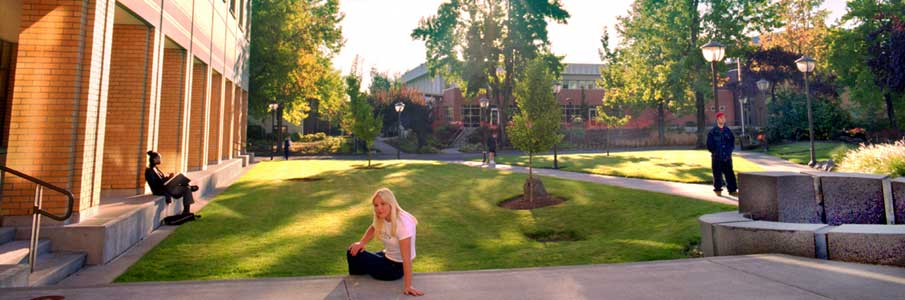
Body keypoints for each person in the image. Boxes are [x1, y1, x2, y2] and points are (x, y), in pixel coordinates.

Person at [347, 188, 424, 296]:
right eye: (376, 205)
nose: (379, 208)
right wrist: (362, 243)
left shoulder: (402, 224)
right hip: (387, 256)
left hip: (395, 268)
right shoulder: (382, 216)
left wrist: (408, 286)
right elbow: (373, 227)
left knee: (353, 254)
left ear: (391, 204)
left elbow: (406, 259)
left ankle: (359, 276)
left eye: (383, 204)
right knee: (354, 250)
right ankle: (360, 274)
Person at [144, 151, 198, 215]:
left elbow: (162, 179)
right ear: (154, 159)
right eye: (159, 158)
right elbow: (155, 185)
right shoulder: (149, 171)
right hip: (162, 189)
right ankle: (189, 186)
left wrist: (169, 177)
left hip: (166, 187)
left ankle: (186, 211)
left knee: (186, 189)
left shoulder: (155, 168)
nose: (160, 160)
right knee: (179, 177)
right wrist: (167, 183)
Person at [706, 112, 738, 197]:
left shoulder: (728, 131)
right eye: (721, 118)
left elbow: (732, 143)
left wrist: (729, 152)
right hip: (717, 157)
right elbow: (709, 145)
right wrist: (715, 152)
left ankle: (732, 190)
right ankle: (718, 190)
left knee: (730, 174)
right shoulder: (712, 132)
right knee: (717, 175)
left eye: (724, 118)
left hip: (727, 157)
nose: (723, 119)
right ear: (717, 119)